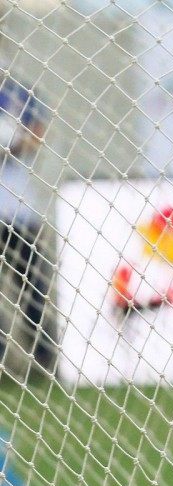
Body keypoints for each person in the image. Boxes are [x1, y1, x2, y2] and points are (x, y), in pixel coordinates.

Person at [0, 74, 52, 371]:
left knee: (32, 288)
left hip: (19, 209)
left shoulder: (18, 90)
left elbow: (38, 133)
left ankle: (44, 358)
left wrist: (12, 148)